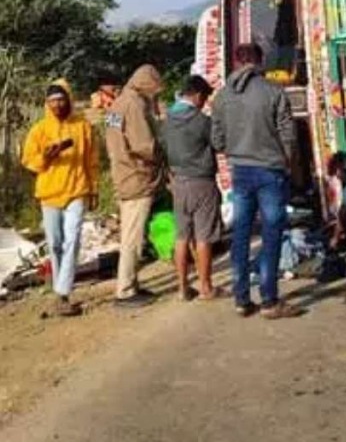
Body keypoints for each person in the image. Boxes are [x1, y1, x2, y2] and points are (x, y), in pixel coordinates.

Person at [211, 42, 303, 319]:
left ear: (237, 61)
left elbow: (216, 140)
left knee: (240, 234)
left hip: (240, 170)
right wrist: (288, 163)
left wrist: (236, 148)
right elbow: (289, 136)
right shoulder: (273, 92)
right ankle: (269, 300)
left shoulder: (222, 96)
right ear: (260, 61)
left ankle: (241, 299)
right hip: (270, 171)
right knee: (271, 233)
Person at [20, 80, 98, 317]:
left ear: (68, 100)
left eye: (61, 100)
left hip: (77, 190)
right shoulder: (39, 130)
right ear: (47, 104)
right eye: (52, 101)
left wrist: (94, 190)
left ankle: (62, 291)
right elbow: (28, 161)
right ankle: (60, 290)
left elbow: (92, 162)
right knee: (55, 243)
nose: (57, 105)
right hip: (49, 193)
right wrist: (47, 157)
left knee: (72, 239)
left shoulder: (83, 126)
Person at [104, 64, 164, 308]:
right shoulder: (136, 104)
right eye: (155, 90)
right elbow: (144, 145)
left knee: (129, 233)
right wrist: (162, 153)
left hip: (122, 173)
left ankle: (131, 284)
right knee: (133, 237)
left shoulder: (116, 105)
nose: (156, 96)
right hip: (137, 176)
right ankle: (126, 291)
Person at [161, 75, 222, 301]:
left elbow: (161, 150)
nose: (205, 102)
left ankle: (182, 288)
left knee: (181, 236)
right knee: (204, 236)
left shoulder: (166, 121)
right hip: (202, 183)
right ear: (197, 96)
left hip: (178, 183)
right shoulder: (202, 122)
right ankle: (206, 287)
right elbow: (219, 143)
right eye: (204, 98)